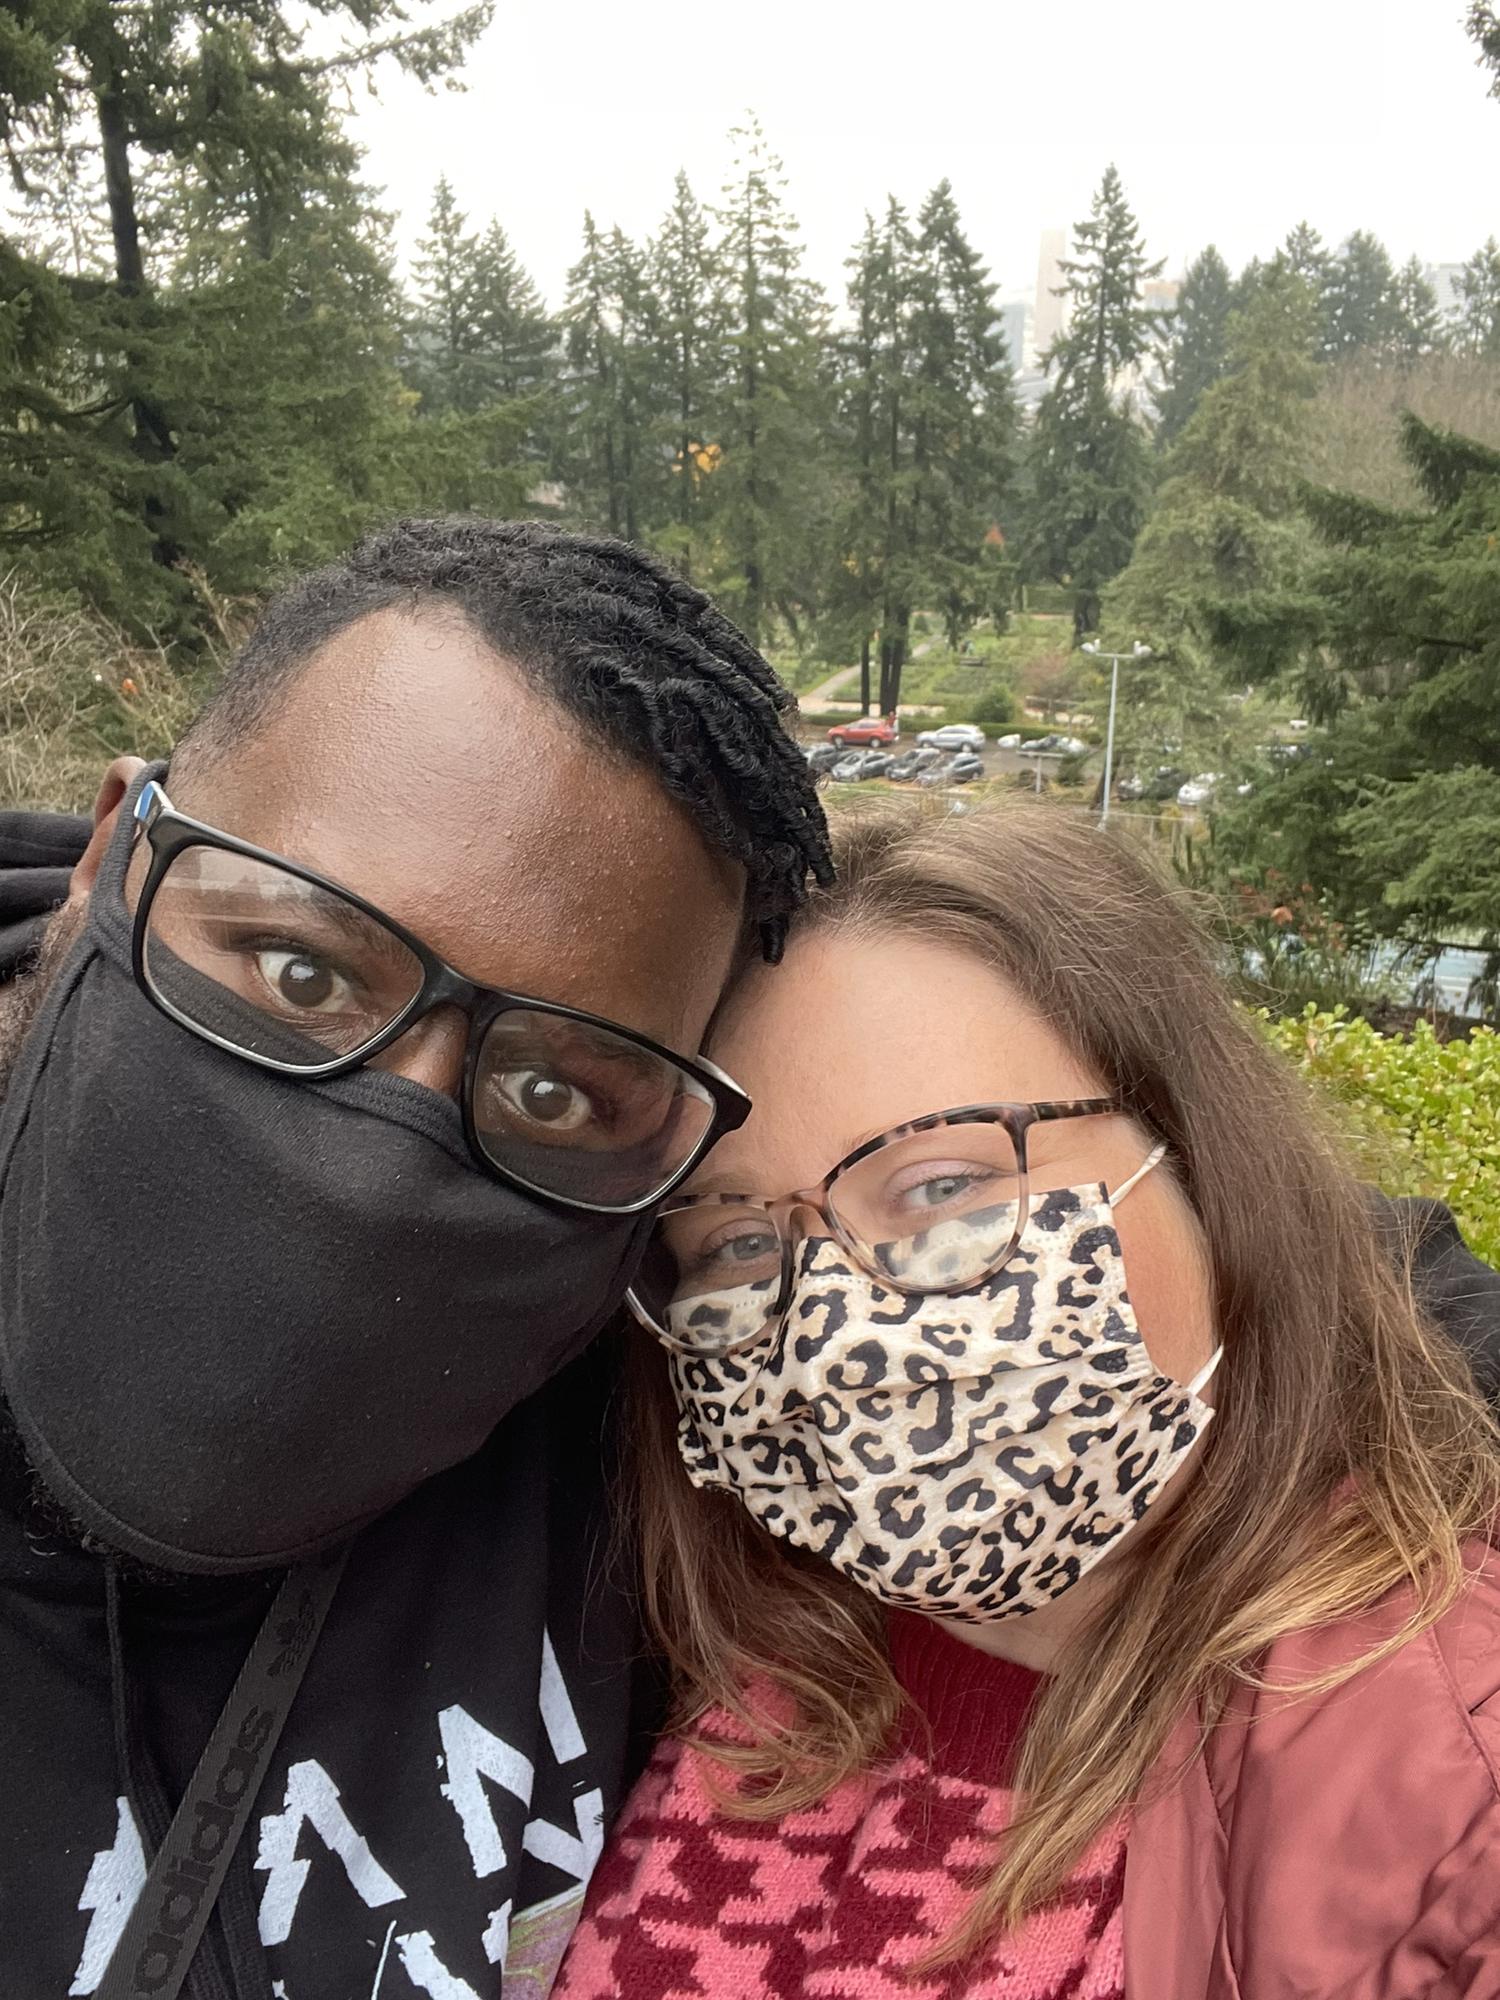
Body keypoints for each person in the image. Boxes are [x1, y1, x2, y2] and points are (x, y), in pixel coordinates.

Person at [0, 518, 832, 1998]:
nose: (379, 1166)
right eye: (301, 970)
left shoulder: (663, 1469)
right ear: (111, 857)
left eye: (553, 1090)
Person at [557, 798, 1500, 2000]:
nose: (839, 1330)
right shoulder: (706, 1662)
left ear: (1200, 1163)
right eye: (738, 1243)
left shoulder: (1451, 1789)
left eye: (941, 1184)